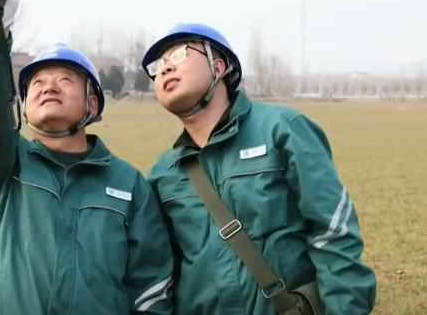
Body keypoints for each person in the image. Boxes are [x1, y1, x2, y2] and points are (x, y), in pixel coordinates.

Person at [0, 0, 174, 315]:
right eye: (37, 83)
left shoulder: (129, 184)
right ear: (24, 106)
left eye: (65, 80)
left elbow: (152, 284)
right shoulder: (7, 165)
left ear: (92, 104)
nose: (49, 87)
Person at [140, 22, 377, 315]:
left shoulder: (282, 130)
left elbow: (333, 231)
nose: (164, 68)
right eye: (157, 66)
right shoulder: (163, 173)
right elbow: (158, 273)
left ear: (218, 66)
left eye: (178, 55)